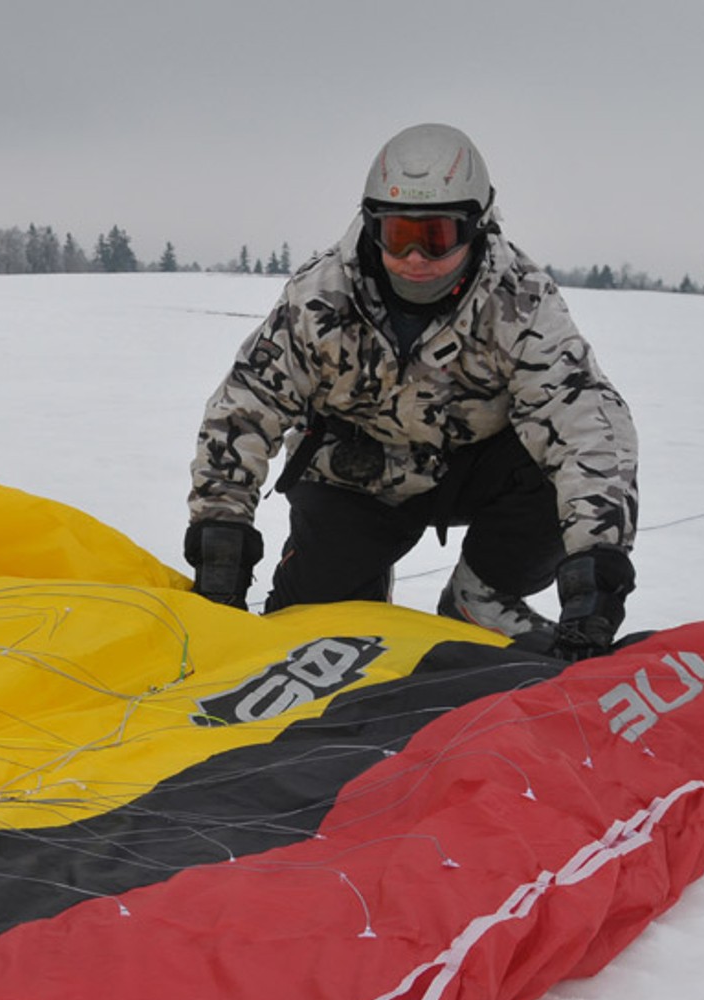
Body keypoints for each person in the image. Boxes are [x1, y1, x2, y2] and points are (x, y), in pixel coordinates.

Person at [184, 122, 638, 660]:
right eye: (398, 235)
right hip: (354, 475)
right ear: (372, 226)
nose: (416, 257)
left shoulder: (521, 301)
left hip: (473, 469)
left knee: (551, 461)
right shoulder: (319, 296)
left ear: (478, 227)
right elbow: (243, 410)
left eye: (438, 236)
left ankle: (482, 595)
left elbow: (585, 422)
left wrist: (596, 576)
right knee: (303, 637)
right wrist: (221, 546)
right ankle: (354, 590)